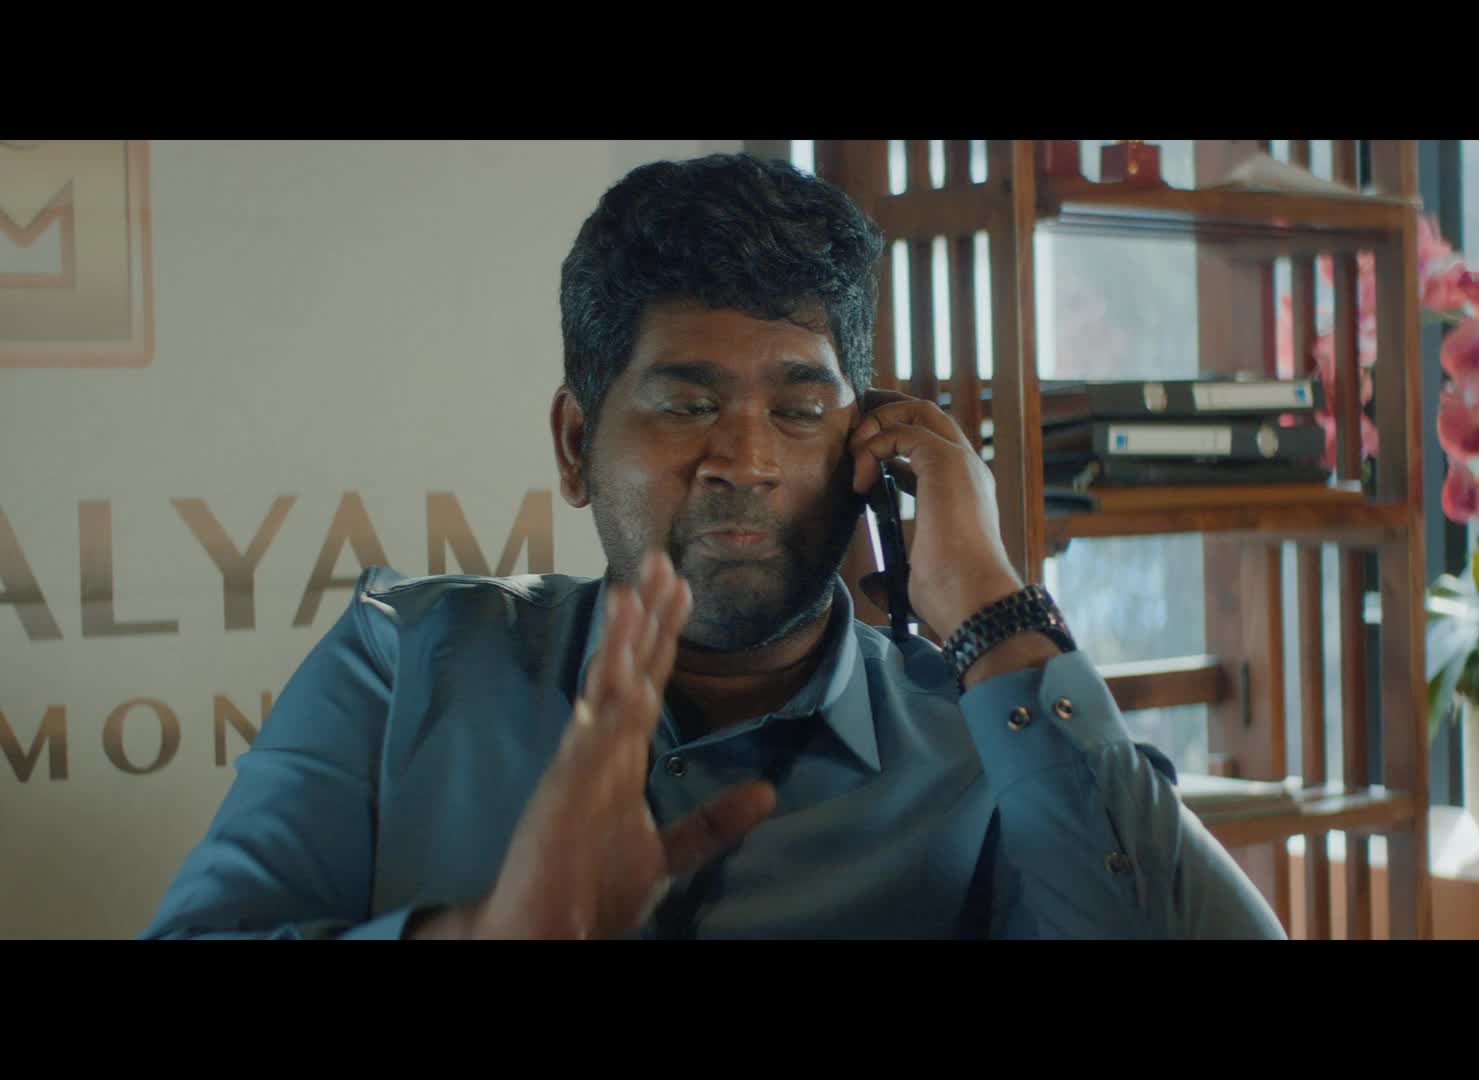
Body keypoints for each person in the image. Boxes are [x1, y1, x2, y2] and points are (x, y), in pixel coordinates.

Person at [140, 152, 1287, 940]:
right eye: (688, 403)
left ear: (871, 445)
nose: (745, 458)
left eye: (800, 407)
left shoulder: (982, 738)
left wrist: (991, 609)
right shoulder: (400, 667)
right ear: (577, 444)